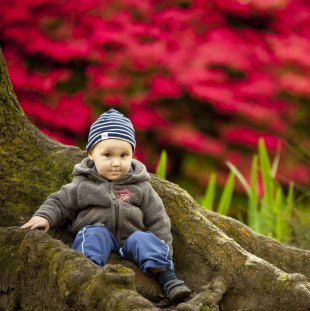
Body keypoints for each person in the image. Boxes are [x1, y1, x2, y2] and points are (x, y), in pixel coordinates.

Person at [20, 108, 192, 304]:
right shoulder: (83, 184)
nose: (116, 163)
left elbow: (158, 218)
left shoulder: (141, 186)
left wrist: (164, 251)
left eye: (124, 155)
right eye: (108, 155)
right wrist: (44, 217)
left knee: (145, 239)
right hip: (99, 233)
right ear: (92, 154)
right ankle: (87, 275)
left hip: (131, 239)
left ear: (132, 156)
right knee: (91, 235)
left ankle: (168, 280)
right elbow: (60, 202)